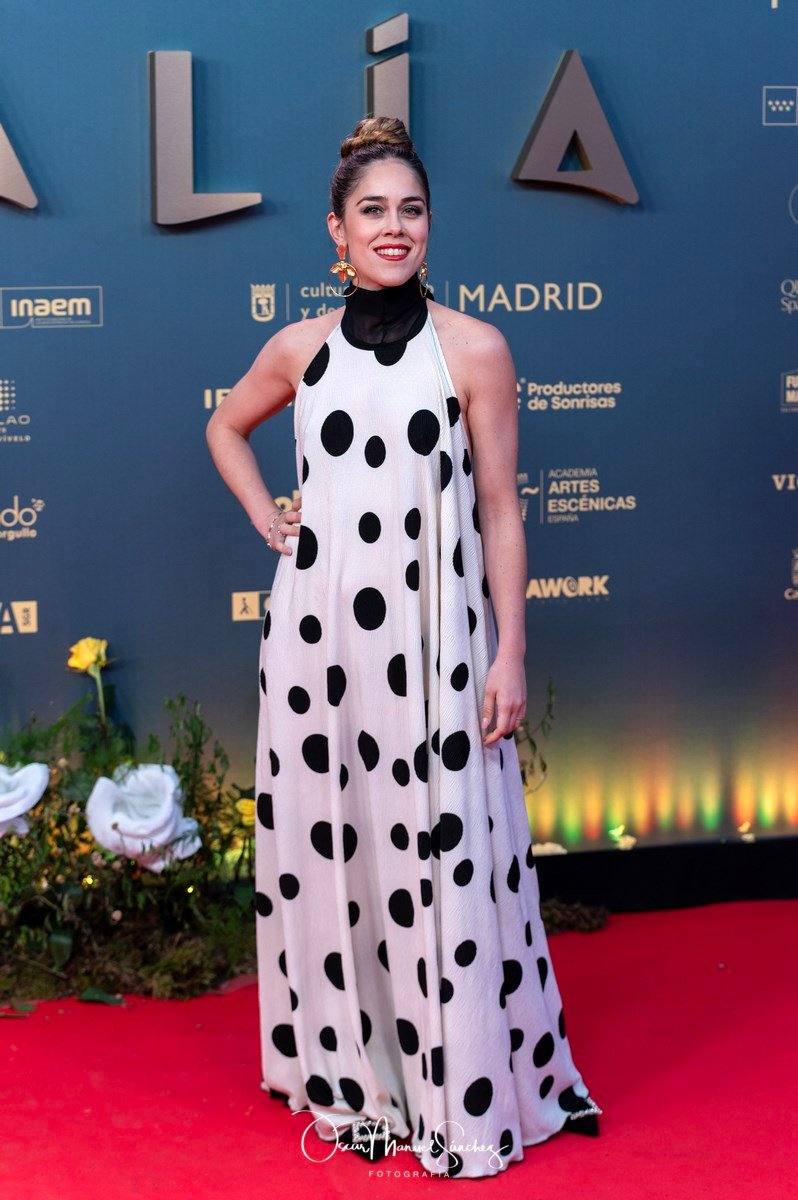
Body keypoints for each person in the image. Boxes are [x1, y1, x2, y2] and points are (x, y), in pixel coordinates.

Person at [205, 116, 602, 1179]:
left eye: (411, 210)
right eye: (372, 211)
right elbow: (224, 427)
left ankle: (461, 1084)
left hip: (436, 647)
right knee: (339, 848)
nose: (394, 228)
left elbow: (502, 510)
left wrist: (510, 652)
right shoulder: (299, 349)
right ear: (336, 231)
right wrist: (268, 516)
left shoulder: (475, 349)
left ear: (432, 225)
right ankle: (356, 1071)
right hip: (319, 644)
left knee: (445, 850)